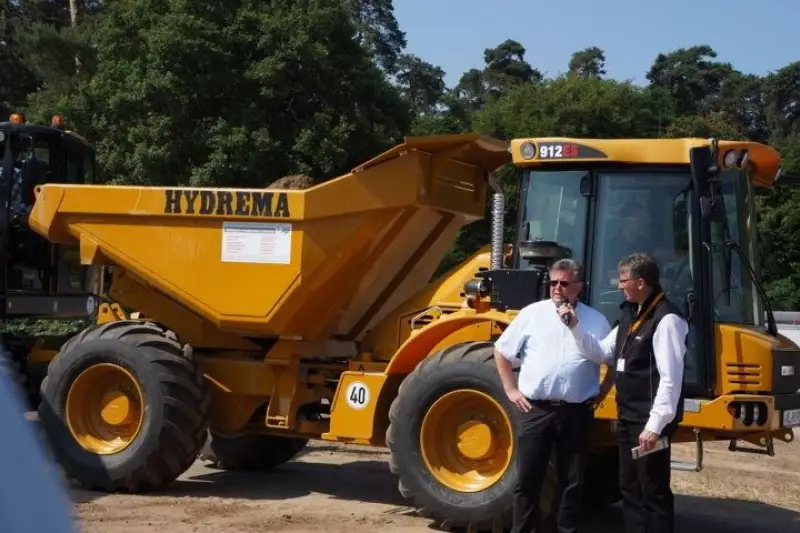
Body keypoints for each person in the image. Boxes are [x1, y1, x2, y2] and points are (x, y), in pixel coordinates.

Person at [558, 253, 689, 533]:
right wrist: (574, 327)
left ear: (641, 282)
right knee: (629, 487)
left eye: (623, 280)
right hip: (628, 419)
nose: (619, 285)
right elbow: (603, 352)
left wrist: (654, 427)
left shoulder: (667, 319)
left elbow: (671, 380)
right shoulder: (630, 313)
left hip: (650, 423)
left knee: (651, 491)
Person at [493, 258, 613, 533]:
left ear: (579, 286)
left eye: (564, 283)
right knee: (528, 480)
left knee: (572, 482)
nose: (557, 288)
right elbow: (501, 352)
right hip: (536, 411)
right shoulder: (531, 314)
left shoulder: (596, 320)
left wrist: (603, 391)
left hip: (577, 412)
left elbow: (611, 359)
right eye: (553, 282)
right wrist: (511, 390)